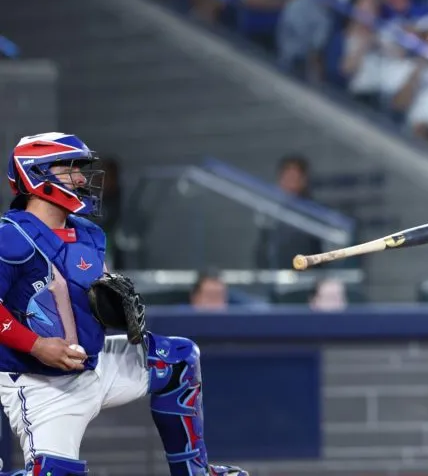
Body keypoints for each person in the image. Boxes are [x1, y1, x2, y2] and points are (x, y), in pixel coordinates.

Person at [0, 133, 245, 476]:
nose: (81, 179)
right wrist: (37, 345)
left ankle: (195, 472)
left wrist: (111, 306)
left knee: (178, 358)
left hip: (93, 363)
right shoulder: (10, 236)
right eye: (69, 168)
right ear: (36, 174)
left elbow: (90, 294)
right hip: (40, 382)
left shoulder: (88, 233)